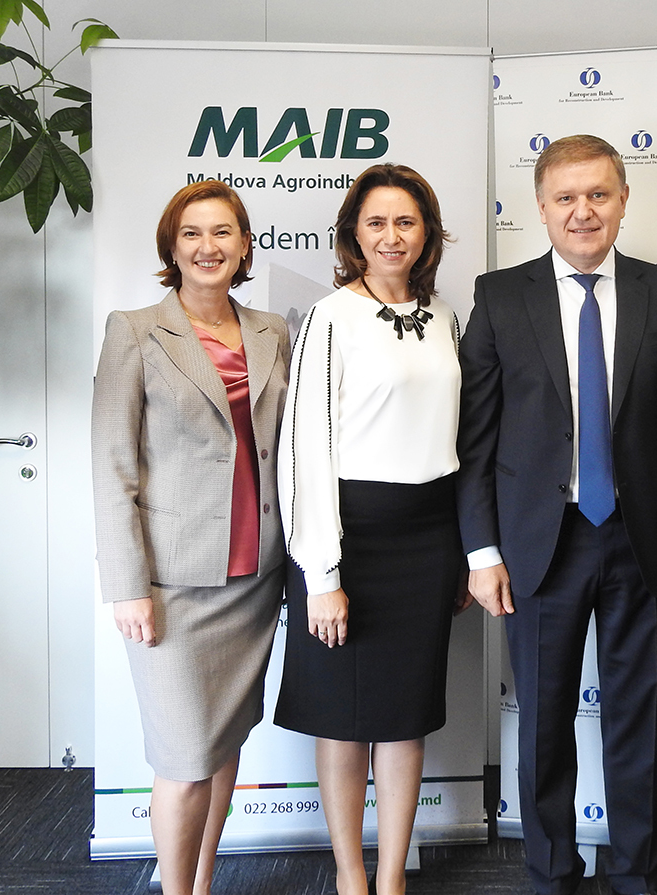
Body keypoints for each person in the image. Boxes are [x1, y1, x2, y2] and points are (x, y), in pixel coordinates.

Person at [457, 134, 657, 895]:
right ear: (541, 208)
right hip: (537, 545)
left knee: (636, 720)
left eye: (599, 194)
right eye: (566, 197)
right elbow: (474, 439)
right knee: (543, 724)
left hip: (646, 543)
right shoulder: (499, 296)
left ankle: (636, 874)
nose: (583, 211)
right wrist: (481, 551)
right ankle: (551, 874)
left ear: (623, 200)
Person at [92, 180, 290, 895]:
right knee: (182, 762)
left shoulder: (273, 331)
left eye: (223, 232)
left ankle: (201, 882)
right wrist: (127, 587)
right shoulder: (135, 330)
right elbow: (112, 465)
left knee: (221, 739)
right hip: (173, 583)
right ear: (171, 249)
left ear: (244, 246)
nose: (209, 247)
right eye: (192, 234)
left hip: (255, 575)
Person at [274, 163, 465, 895]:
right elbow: (305, 449)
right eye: (376, 222)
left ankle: (392, 880)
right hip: (350, 538)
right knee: (344, 717)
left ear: (427, 233)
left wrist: (461, 554)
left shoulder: (445, 316)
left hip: (429, 537)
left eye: (406, 221)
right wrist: (322, 574)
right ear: (354, 233)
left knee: (406, 715)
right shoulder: (331, 317)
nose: (392, 236)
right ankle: (351, 876)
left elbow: (458, 436)